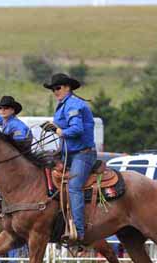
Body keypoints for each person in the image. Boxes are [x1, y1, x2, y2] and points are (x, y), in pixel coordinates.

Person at [41, 73, 96, 243]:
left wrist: (58, 131)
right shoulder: (64, 104)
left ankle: (78, 232)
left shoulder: (72, 104)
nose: (55, 92)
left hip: (83, 154)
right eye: (53, 89)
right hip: (69, 154)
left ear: (67, 87)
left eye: (57, 88)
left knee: (74, 187)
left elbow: (77, 129)